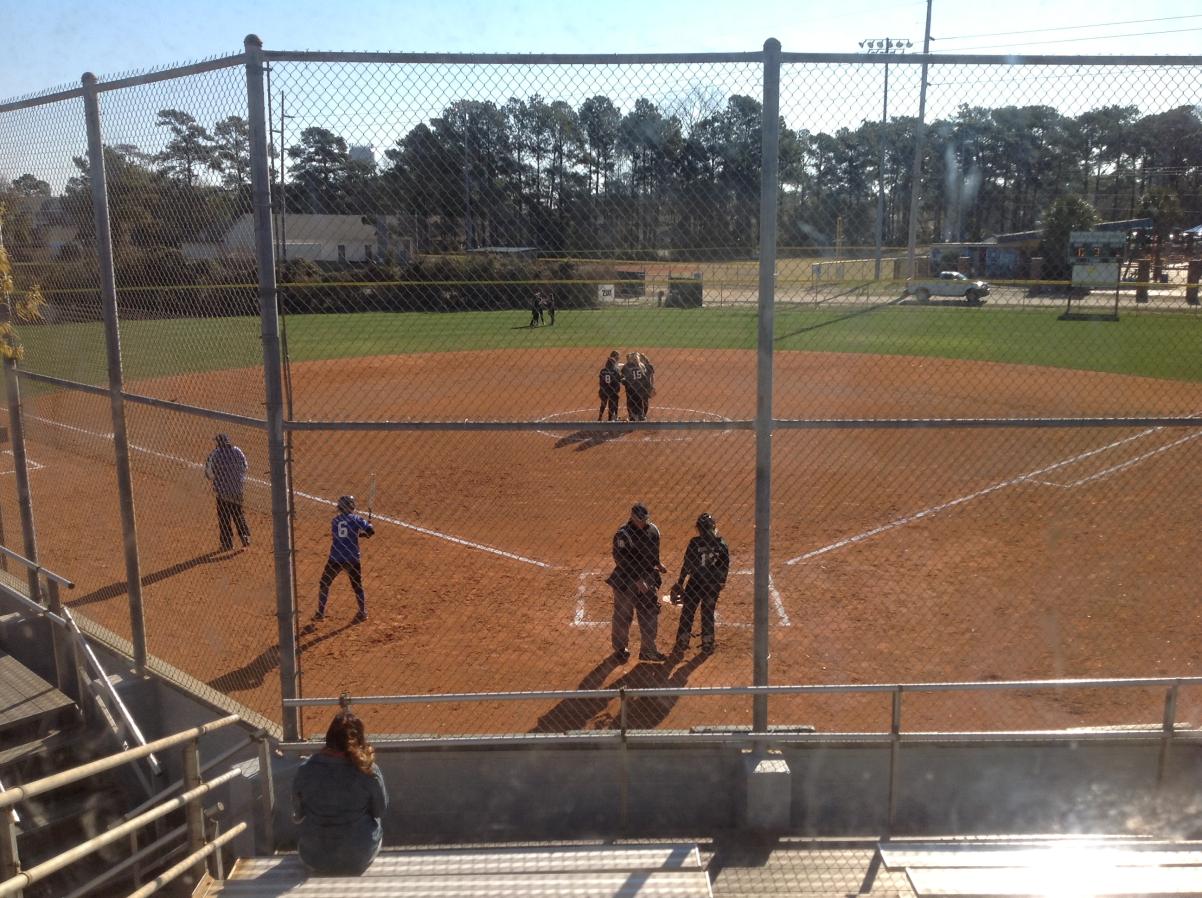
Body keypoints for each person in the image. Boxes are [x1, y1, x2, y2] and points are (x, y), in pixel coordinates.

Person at [292, 710, 388, 876]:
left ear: (329, 738)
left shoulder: (305, 769)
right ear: (359, 738)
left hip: (315, 858)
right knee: (376, 823)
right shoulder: (368, 770)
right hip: (357, 857)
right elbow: (380, 811)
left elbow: (298, 813)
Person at [605, 502, 668, 663]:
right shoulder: (623, 535)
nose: (644, 522)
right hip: (626, 580)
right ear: (632, 518)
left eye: (646, 519)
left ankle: (648, 650)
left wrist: (658, 563)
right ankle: (620, 649)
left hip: (647, 578)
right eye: (641, 519)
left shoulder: (653, 530)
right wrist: (637, 580)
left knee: (649, 613)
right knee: (623, 616)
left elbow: (654, 552)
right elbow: (622, 561)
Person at [669, 512, 731, 655]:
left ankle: (682, 641)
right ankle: (708, 643)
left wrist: (680, 582)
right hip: (712, 585)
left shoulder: (694, 543)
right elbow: (725, 564)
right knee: (707, 611)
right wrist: (722, 581)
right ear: (713, 526)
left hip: (695, 583)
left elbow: (687, 565)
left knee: (688, 611)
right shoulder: (721, 544)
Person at [314, 495, 375, 623]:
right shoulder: (356, 519)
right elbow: (370, 532)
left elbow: (345, 534)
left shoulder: (335, 521)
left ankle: (320, 613)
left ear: (340, 507)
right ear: (352, 506)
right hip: (352, 558)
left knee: (324, 584)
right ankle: (363, 612)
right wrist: (368, 526)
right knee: (357, 585)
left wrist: (359, 533)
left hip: (335, 558)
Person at [204, 433, 250, 551]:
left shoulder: (215, 454)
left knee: (224, 517)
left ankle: (226, 543)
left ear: (218, 443)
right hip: (237, 490)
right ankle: (244, 536)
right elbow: (245, 467)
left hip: (222, 492)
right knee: (238, 513)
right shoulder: (238, 451)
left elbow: (209, 474)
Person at [621, 352, 651, 422]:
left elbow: (622, 377)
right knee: (639, 402)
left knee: (630, 402)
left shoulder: (627, 366)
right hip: (639, 388)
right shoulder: (641, 365)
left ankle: (631, 416)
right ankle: (641, 416)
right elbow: (645, 377)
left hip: (630, 388)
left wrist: (624, 382)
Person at [598, 351, 622, 422]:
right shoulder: (616, 370)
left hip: (603, 390)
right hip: (613, 391)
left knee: (603, 404)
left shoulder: (602, 370)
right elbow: (619, 379)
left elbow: (600, 380)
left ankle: (600, 417)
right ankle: (611, 418)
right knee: (612, 405)